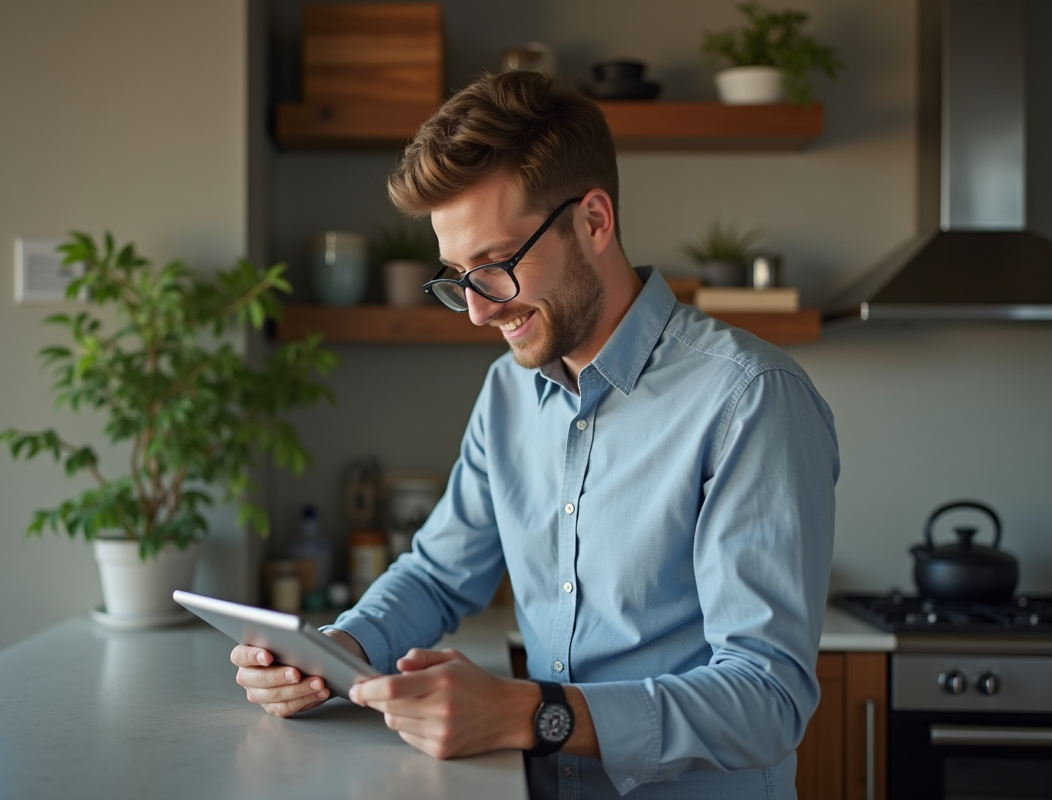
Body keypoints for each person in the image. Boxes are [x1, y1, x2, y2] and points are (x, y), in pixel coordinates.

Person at [232, 70, 838, 799]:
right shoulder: (508, 392)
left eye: (496, 266)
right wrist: (335, 653)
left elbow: (766, 700)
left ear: (594, 220)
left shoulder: (749, 399)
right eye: (457, 276)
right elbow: (436, 574)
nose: (477, 312)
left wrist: (534, 714)